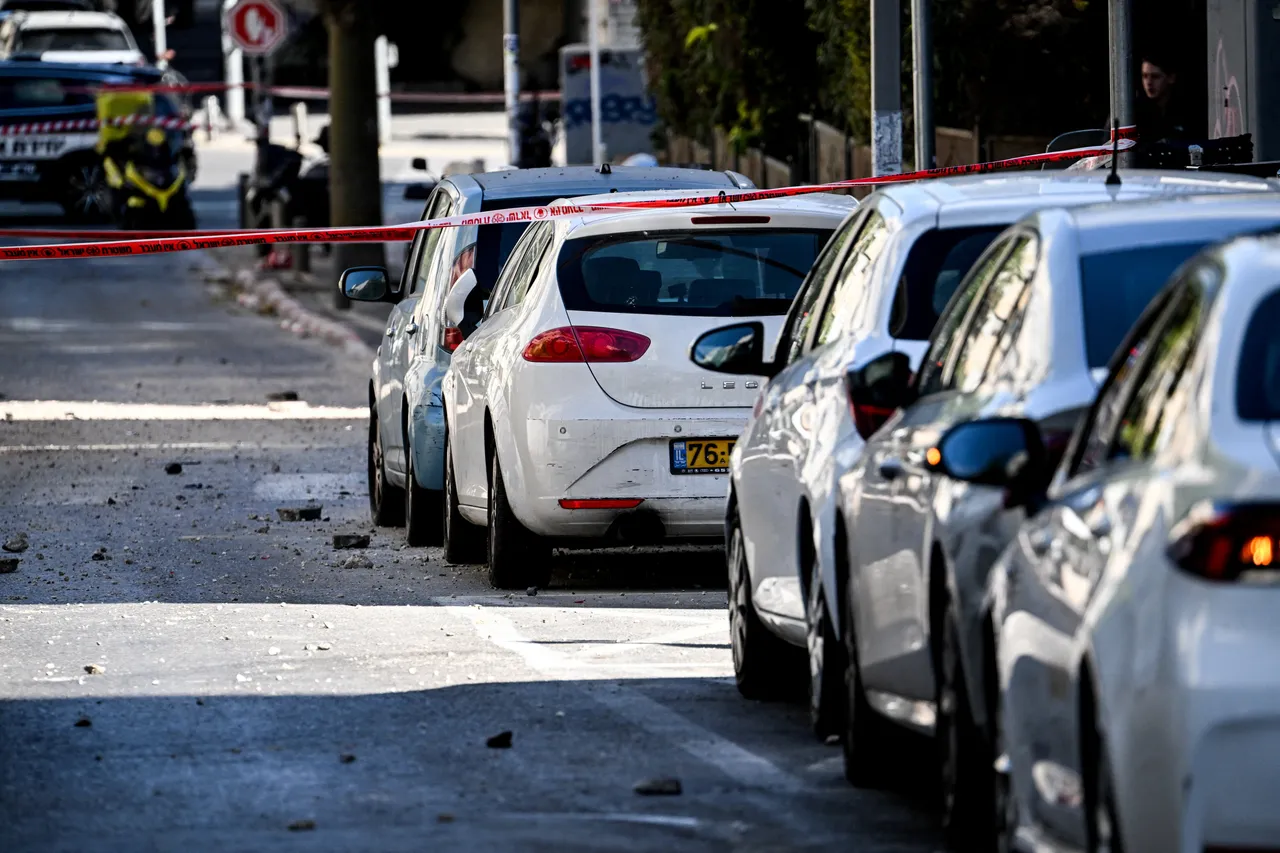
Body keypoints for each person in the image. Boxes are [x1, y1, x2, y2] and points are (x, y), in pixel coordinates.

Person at [1134, 53, 1196, 144]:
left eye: (1155, 76)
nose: (1149, 82)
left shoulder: (1185, 109)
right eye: (1145, 76)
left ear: (1171, 78)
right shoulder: (1134, 110)